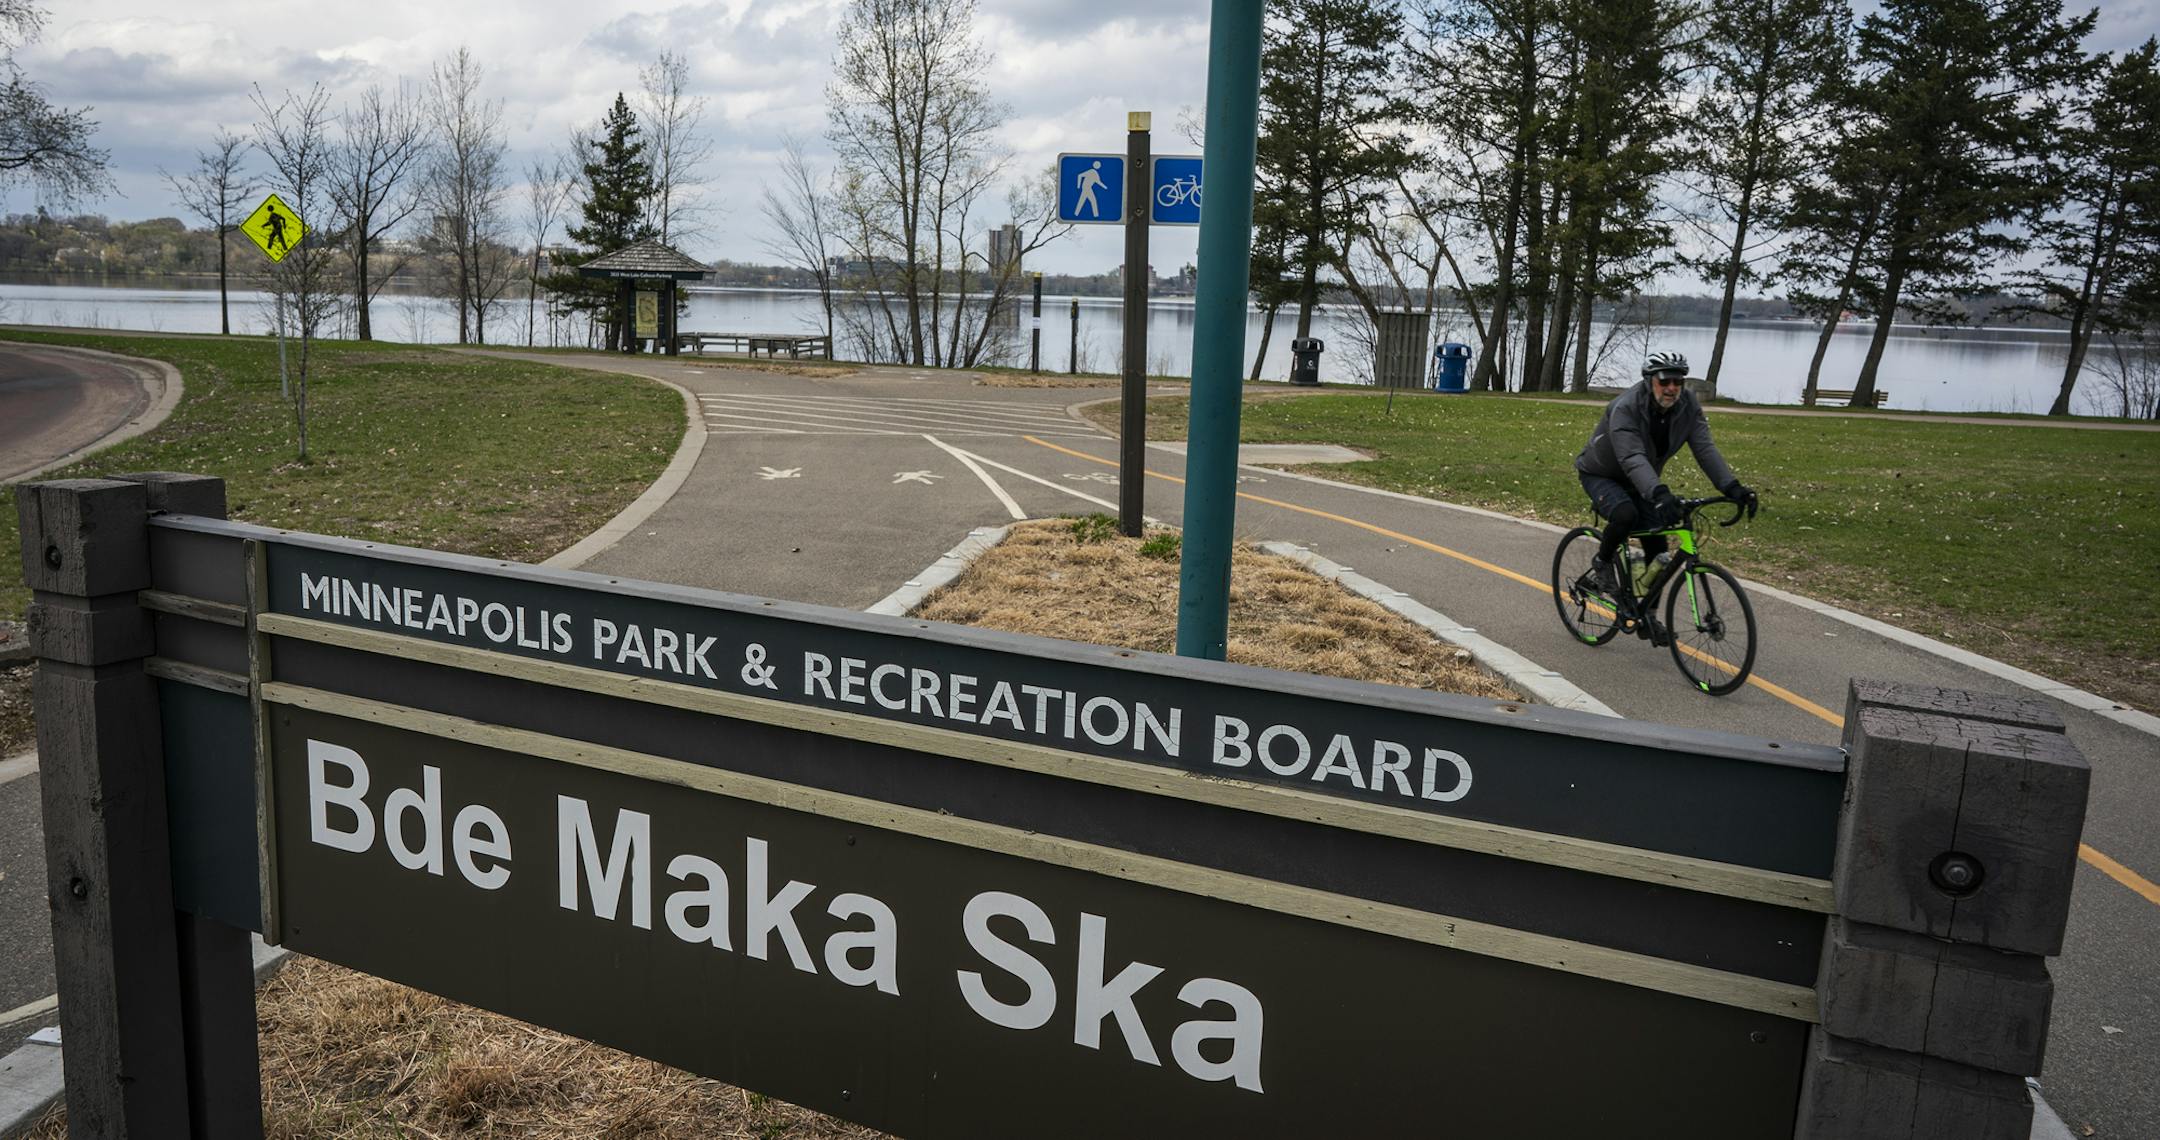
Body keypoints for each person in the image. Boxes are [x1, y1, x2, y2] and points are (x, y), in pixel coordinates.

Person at [1573, 350, 1758, 595]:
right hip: (1601, 474)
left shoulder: (1688, 405)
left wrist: (1732, 487)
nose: (1672, 388)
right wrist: (1659, 493)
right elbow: (1632, 456)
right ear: (1649, 381)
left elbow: (1705, 449)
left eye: (1678, 382)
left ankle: (1646, 611)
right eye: (1664, 381)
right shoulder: (1625, 408)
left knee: (1658, 548)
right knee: (1625, 514)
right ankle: (1602, 562)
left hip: (1642, 478)